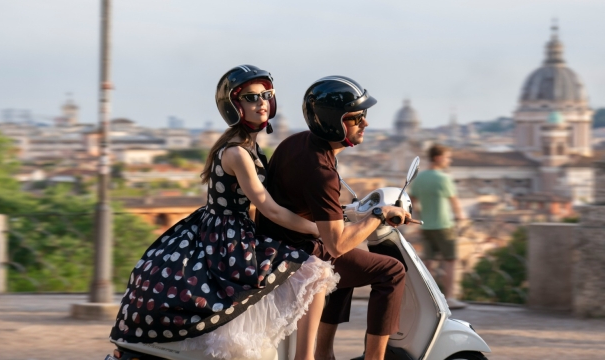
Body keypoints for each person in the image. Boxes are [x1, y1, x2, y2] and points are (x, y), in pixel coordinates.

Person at [109, 65, 339, 360]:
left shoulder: (247, 148)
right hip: (229, 237)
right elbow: (270, 209)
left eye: (267, 95)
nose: (262, 103)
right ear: (234, 106)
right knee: (313, 268)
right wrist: (320, 229)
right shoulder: (237, 153)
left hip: (224, 230)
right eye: (251, 97)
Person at [257, 76, 411, 360]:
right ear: (332, 122)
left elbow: (305, 203)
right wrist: (379, 214)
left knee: (346, 267)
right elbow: (338, 243)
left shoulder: (298, 142)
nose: (365, 122)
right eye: (356, 117)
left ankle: (324, 352)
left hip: (276, 243)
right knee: (391, 271)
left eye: (364, 115)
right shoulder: (322, 172)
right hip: (297, 253)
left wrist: (351, 212)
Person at [409, 143, 467, 309]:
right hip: (444, 225)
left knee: (428, 263)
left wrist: (419, 216)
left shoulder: (419, 178)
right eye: (448, 157)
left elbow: (412, 202)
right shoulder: (444, 179)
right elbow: (455, 203)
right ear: (438, 158)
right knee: (450, 261)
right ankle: (449, 298)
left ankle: (428, 298)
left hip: (425, 226)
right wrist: (461, 217)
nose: (450, 160)